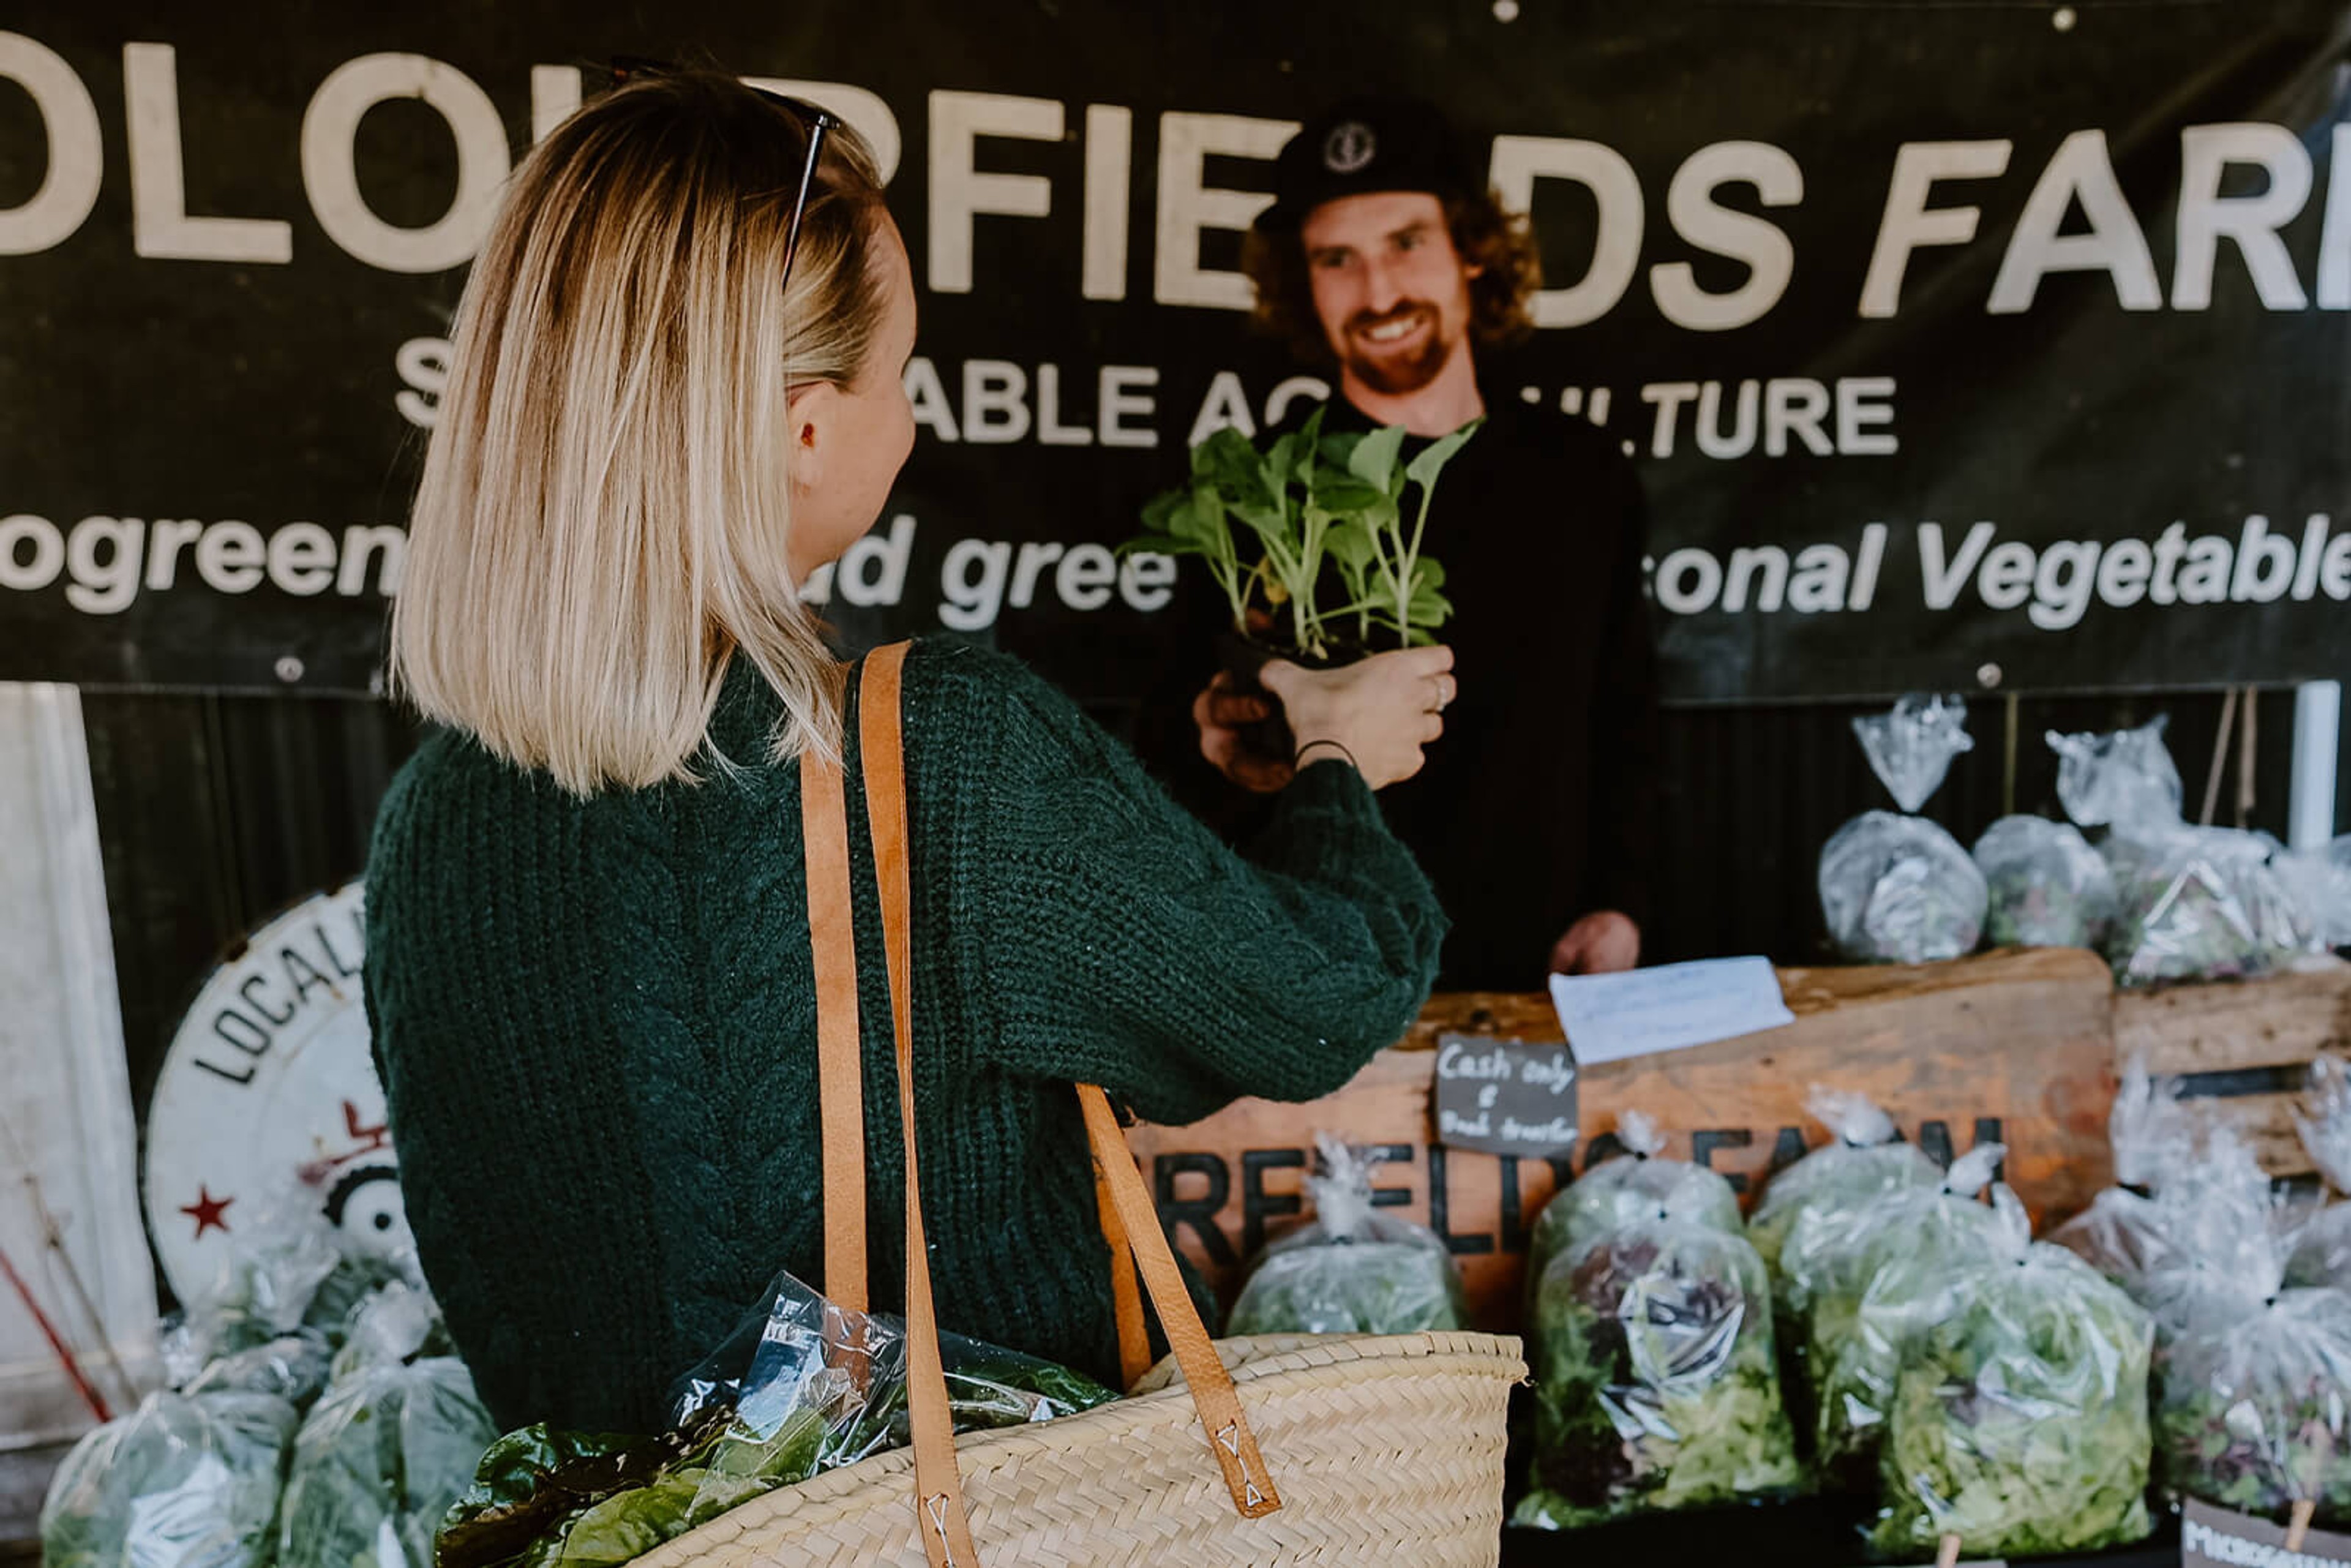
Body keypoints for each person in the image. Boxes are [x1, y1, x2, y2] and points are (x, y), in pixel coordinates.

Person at [363, 69, 1458, 1436]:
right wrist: (1337, 767)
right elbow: (1318, 1000)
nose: (915, 418)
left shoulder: (433, 819)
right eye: (903, 372)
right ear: (809, 426)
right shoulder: (935, 750)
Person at [1164, 97, 1663, 989]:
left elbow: (1627, 712)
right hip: (1321, 973)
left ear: (1471, 249)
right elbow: (1181, 739)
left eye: (1406, 242)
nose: (1380, 291)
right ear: (1302, 284)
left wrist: (1623, 902)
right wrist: (1226, 746)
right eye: (1337, 259)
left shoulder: (1580, 474)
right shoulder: (1255, 492)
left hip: (1540, 964)